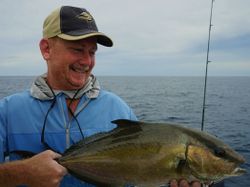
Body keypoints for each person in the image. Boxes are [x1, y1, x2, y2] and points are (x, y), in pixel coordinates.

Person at [0, 5, 216, 187]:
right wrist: (21, 171)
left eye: (92, 52)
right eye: (77, 49)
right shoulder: (8, 111)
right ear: (46, 49)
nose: (86, 61)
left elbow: (138, 175)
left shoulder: (118, 109)